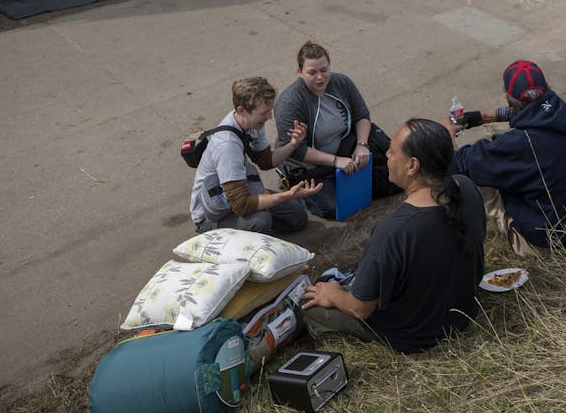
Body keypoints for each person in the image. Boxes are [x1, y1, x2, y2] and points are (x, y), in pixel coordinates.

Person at [299, 118, 485, 353]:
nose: (385, 154)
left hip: (416, 334)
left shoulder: (393, 231)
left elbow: (360, 308)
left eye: (392, 151)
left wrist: (334, 294)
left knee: (310, 302)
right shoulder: (466, 187)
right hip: (463, 311)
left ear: (412, 166)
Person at [443, 60, 566, 258]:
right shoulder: (558, 108)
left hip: (549, 242)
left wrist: (446, 133)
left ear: (507, 97)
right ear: (547, 87)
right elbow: (525, 111)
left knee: (469, 176)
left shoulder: (517, 144)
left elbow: (456, 162)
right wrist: (480, 117)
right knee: (494, 162)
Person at [275, 41, 401, 219]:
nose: (320, 77)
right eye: (312, 72)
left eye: (324, 70)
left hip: (346, 146)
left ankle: (352, 182)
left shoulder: (341, 82)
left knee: (397, 176)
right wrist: (336, 161)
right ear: (300, 72)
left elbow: (362, 115)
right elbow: (296, 149)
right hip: (311, 166)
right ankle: (302, 187)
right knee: (336, 208)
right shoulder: (289, 103)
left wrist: (362, 145)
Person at [190, 76, 323, 235]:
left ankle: (250, 231)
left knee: (297, 217)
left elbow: (266, 161)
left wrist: (293, 144)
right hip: (212, 214)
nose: (269, 117)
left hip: (236, 193)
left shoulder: (250, 123)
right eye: (264, 113)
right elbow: (241, 205)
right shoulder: (227, 146)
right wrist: (287, 195)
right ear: (241, 110)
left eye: (270, 111)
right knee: (261, 220)